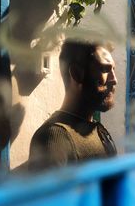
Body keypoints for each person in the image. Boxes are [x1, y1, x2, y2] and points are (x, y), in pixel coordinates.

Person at [28, 38, 118, 171]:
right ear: (76, 74)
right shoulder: (54, 138)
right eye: (105, 69)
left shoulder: (99, 130)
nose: (114, 80)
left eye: (113, 70)